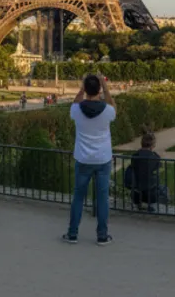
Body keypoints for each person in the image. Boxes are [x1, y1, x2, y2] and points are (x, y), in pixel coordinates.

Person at [63, 74, 117, 245]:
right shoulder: (108, 111)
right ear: (99, 89)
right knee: (102, 198)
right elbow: (113, 106)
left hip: (83, 158)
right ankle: (102, 235)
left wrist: (81, 88)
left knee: (78, 197)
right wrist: (106, 88)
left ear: (85, 89)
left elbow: (75, 102)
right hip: (102, 158)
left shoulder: (76, 110)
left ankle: (73, 233)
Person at [126, 132, 164, 212]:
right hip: (151, 195)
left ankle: (140, 204)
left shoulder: (135, 156)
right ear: (153, 145)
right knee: (164, 189)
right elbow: (159, 168)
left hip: (136, 194)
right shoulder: (155, 157)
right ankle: (151, 206)